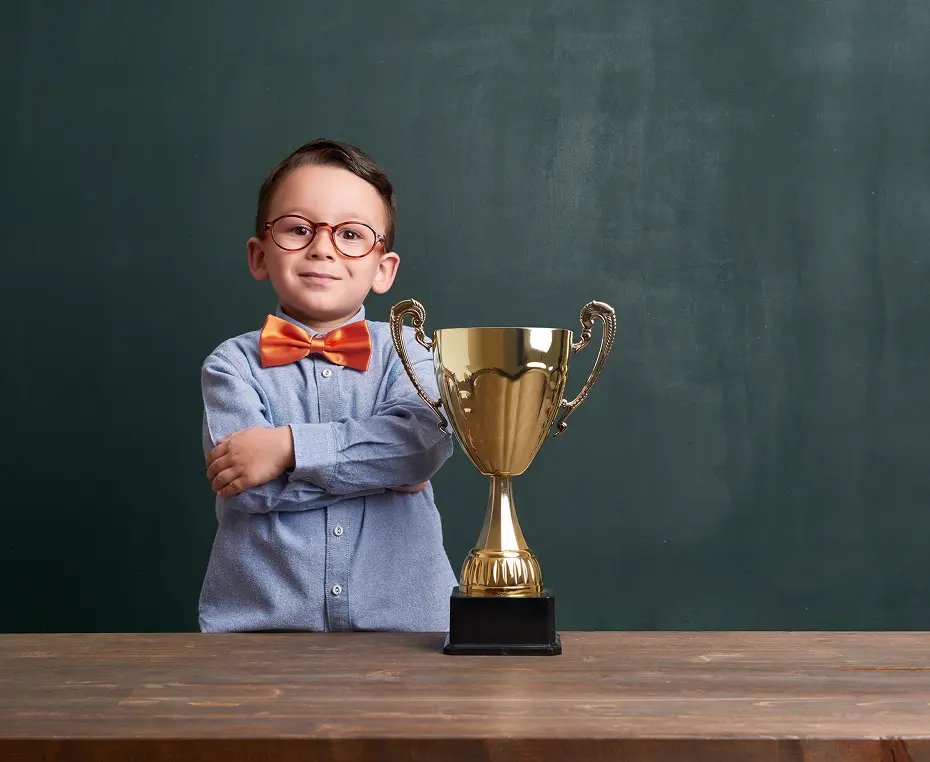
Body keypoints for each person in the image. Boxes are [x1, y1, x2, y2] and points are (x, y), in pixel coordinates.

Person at [198, 139, 457, 632]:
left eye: (351, 234)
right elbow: (247, 490)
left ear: (384, 269)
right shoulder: (231, 365)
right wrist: (384, 471)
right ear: (259, 256)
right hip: (260, 634)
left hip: (409, 631)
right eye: (298, 229)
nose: (322, 248)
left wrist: (288, 448)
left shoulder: (410, 349)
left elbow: (421, 447)